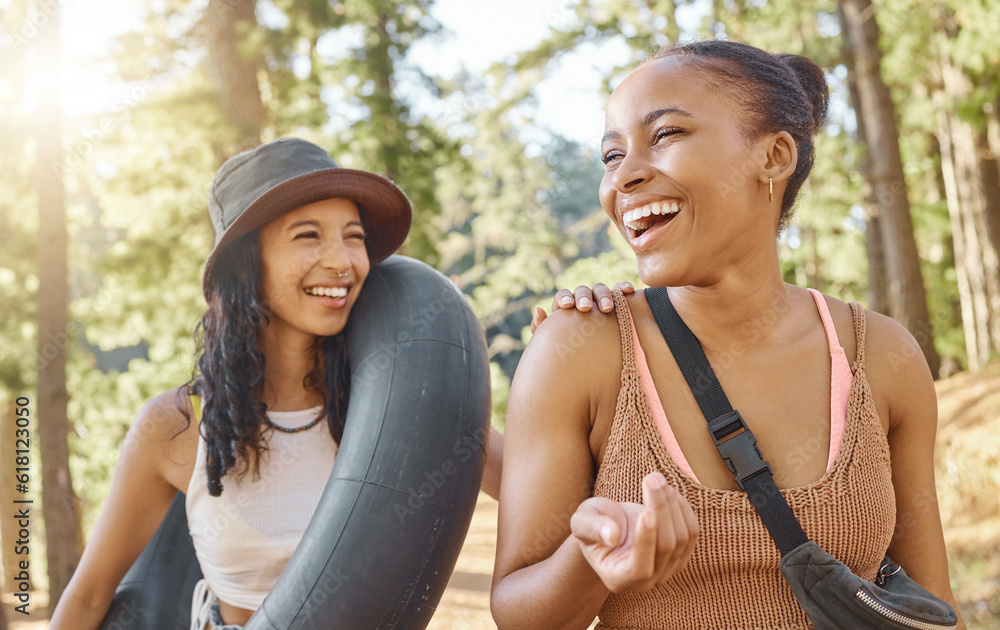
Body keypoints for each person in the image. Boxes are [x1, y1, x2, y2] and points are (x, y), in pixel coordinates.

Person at [492, 40, 966, 629]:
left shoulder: (884, 355)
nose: (627, 175)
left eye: (664, 135)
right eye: (611, 156)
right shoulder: (580, 349)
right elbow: (517, 612)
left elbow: (934, 605)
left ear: (774, 156)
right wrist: (591, 563)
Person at [51, 137, 504, 630]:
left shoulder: (392, 401)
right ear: (247, 264)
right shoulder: (175, 427)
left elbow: (537, 481)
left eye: (354, 236)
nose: (342, 261)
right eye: (308, 235)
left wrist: (563, 354)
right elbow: (90, 598)